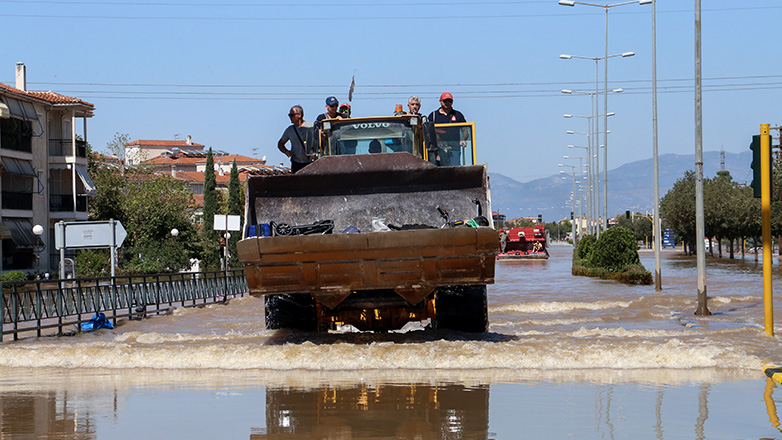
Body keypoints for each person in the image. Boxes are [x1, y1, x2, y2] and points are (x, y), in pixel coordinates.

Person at [428, 92, 467, 166]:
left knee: (455, 168)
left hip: (454, 147)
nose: (447, 103)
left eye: (449, 101)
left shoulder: (458, 115)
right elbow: (428, 132)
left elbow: (465, 130)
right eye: (445, 101)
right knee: (437, 168)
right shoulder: (433, 116)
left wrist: (463, 139)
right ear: (440, 101)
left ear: (452, 102)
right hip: (438, 148)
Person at [277, 105, 313, 173]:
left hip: (310, 162)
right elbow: (280, 144)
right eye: (289, 115)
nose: (290, 117)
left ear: (299, 115)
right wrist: (286, 151)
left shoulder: (311, 127)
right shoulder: (290, 130)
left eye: (292, 115)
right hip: (296, 163)